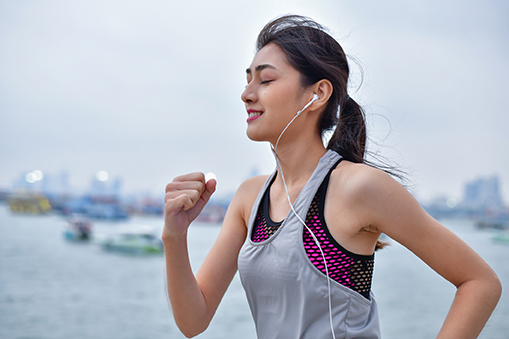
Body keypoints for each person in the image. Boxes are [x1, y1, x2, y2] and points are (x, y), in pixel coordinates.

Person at [162, 15, 501, 339]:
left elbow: (479, 282)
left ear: (317, 94)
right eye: (247, 79)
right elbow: (194, 320)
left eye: (265, 80)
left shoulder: (359, 187)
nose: (247, 93)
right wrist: (174, 237)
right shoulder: (250, 198)